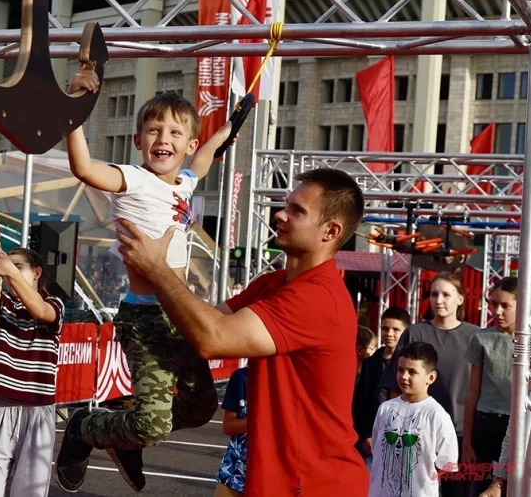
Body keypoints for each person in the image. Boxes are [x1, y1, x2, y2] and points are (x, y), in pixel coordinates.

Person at [97, 167, 369, 496]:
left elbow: (214, 338)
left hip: (313, 484)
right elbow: (202, 320)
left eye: (297, 210)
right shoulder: (274, 284)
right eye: (286, 204)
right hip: (278, 479)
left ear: (330, 231)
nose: (281, 214)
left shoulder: (317, 298)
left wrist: (157, 269)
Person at [55, 67, 232, 492]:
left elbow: (204, 159)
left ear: (186, 145)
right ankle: (86, 428)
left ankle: (127, 432)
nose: (162, 139)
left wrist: (226, 129)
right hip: (146, 318)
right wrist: (75, 105)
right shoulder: (132, 180)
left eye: (174, 133)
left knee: (204, 407)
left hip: (181, 316)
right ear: (138, 141)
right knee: (154, 423)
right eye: (153, 131)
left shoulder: (185, 184)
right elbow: (81, 166)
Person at [0, 220, 65, 497]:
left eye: (19, 266)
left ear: (37, 273)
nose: (9, 271)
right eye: (7, 266)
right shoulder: (4, 304)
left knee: (30, 491)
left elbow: (40, 311)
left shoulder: (54, 304)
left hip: (38, 412)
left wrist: (9, 271)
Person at [379, 272, 480, 497]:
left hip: (461, 433)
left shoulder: (475, 337)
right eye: (434, 294)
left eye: (446, 294)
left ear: (460, 299)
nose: (439, 300)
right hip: (413, 434)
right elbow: (396, 386)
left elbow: (477, 389)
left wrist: (469, 443)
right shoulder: (414, 333)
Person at [369, 341, 459, 497]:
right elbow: (377, 448)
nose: (404, 377)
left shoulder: (437, 415)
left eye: (412, 372)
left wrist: (421, 482)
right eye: (400, 370)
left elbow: (446, 465)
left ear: (430, 377)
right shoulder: (385, 408)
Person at [464, 277, 516, 497]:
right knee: (481, 489)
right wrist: (467, 441)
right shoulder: (481, 339)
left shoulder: (530, 340)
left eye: (505, 305)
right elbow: (472, 392)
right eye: (494, 304)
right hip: (485, 425)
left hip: (518, 427)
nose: (497, 311)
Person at [354, 307, 411, 469]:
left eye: (395, 329)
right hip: (372, 441)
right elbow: (361, 403)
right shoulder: (370, 363)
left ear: (405, 332)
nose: (389, 333)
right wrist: (365, 436)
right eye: (385, 328)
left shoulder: (410, 364)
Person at [215, 367, 248, 497]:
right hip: (235, 463)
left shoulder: (291, 379)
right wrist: (258, 421)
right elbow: (228, 426)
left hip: (273, 466)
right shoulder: (241, 377)